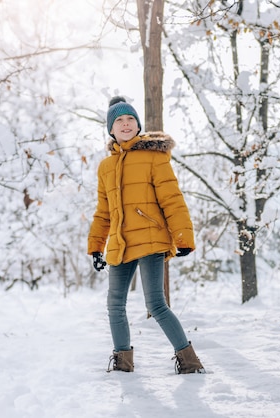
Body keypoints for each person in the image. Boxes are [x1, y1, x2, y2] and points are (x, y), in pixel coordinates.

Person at [88, 96, 206, 374]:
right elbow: (103, 212)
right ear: (111, 129)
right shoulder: (105, 167)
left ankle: (189, 362)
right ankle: (122, 363)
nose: (126, 124)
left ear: (138, 125)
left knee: (155, 303)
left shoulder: (154, 157)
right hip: (120, 243)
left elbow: (172, 199)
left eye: (130, 119)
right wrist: (96, 246)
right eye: (119, 120)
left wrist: (183, 237)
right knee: (114, 304)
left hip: (150, 239)